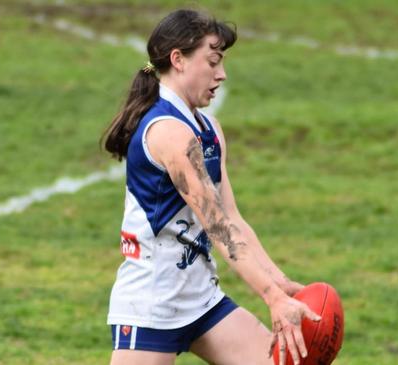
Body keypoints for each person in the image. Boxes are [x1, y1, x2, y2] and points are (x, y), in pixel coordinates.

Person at [101, 9, 320, 365]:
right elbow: (217, 225)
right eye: (213, 61)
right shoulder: (169, 133)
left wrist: (279, 282)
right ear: (179, 60)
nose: (222, 74)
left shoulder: (209, 129)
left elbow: (232, 217)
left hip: (202, 301)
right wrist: (270, 298)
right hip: (152, 305)